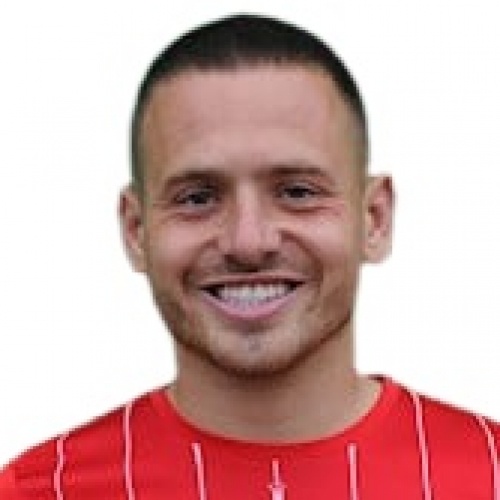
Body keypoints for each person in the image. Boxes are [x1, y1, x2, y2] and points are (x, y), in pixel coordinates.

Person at [0, 13, 498, 499]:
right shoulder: (41, 490)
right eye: (198, 198)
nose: (248, 242)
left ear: (375, 219)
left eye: (298, 192)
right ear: (136, 231)